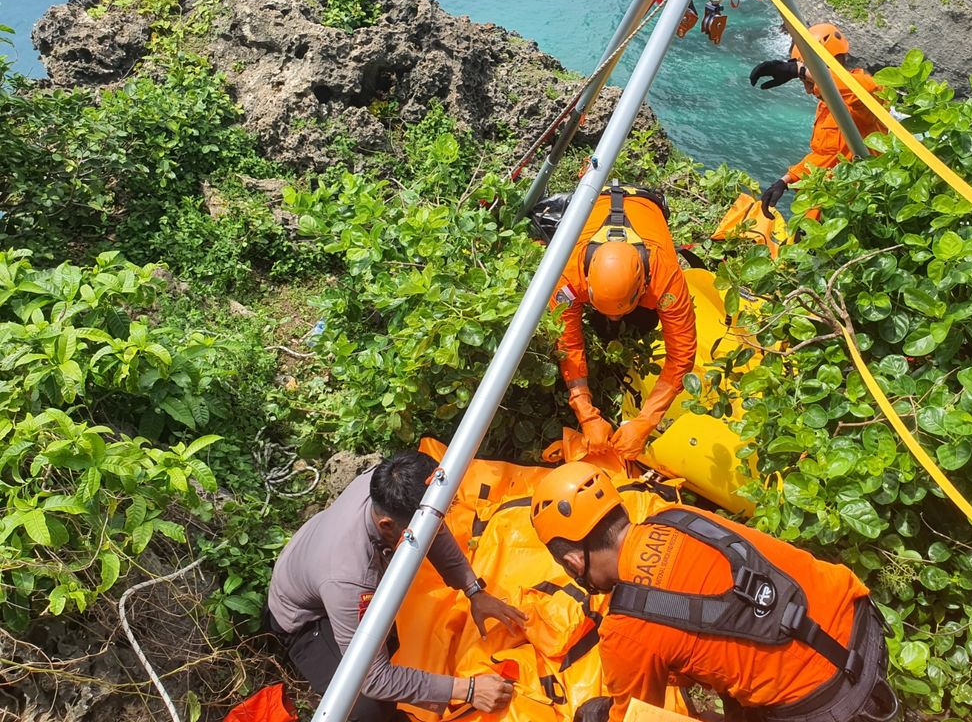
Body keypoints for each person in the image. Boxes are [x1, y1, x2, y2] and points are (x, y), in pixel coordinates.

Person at [531, 462, 898, 722]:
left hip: (827, 700)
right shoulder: (677, 517)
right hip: (864, 627)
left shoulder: (626, 631)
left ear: (574, 562)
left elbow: (637, 717)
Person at [267, 450, 528, 721]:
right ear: (387, 526)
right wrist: (467, 688)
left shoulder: (388, 486)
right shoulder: (349, 579)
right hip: (306, 621)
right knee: (367, 710)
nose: (439, 526)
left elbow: (432, 525)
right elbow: (372, 677)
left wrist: (474, 590)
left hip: (316, 565)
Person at [549, 182, 697, 461]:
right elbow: (568, 344)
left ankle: (630, 322)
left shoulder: (666, 277)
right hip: (597, 199)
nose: (614, 317)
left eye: (620, 310)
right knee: (600, 327)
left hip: (647, 204)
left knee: (643, 322)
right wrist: (585, 412)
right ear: (587, 284)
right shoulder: (568, 277)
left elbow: (682, 356)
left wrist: (645, 422)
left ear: (643, 287)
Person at [750, 23, 889, 220]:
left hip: (856, 212)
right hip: (826, 209)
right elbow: (826, 155)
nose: (808, 90)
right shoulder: (827, 104)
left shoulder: (867, 94)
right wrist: (786, 180)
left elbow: (862, 91)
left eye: (809, 81)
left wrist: (800, 70)